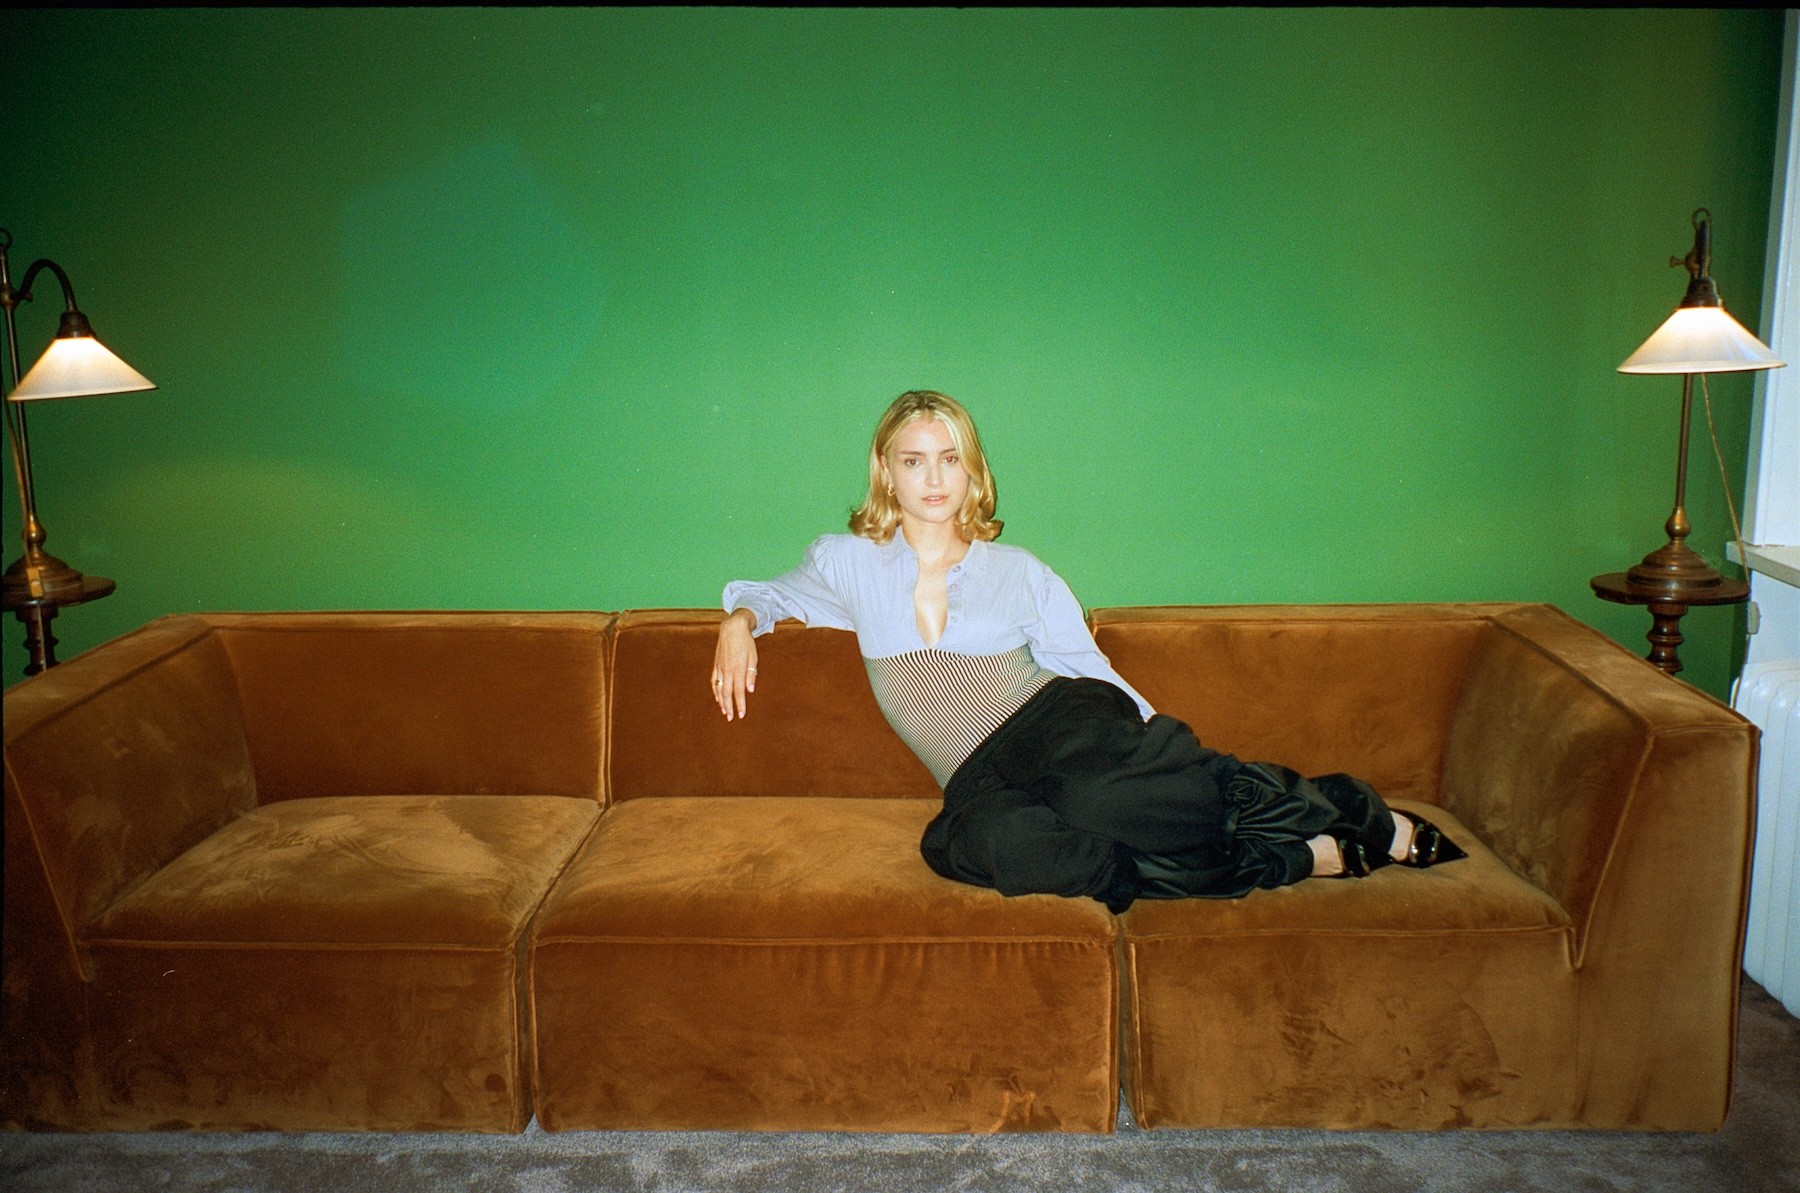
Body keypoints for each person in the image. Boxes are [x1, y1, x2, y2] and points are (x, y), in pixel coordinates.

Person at [712, 390, 1463, 911]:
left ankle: (1355, 811)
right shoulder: (847, 562)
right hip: (976, 775)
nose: (934, 478)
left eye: (949, 458)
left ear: (971, 469)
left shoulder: (1019, 571)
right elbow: (774, 594)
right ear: (886, 470)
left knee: (1101, 798)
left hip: (1056, 723)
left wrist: (1156, 749)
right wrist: (739, 622)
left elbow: (1085, 665)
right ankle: (1298, 858)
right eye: (914, 460)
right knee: (979, 847)